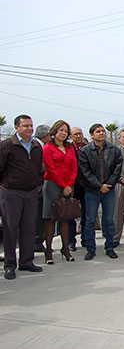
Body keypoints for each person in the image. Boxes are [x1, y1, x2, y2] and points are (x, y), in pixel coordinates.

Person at [0, 115, 44, 280]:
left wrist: (37, 184)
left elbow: (39, 168)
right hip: (12, 193)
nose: (29, 129)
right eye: (25, 126)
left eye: (31, 125)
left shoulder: (35, 146)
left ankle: (27, 261)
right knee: (11, 229)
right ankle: (10, 265)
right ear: (16, 127)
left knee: (28, 228)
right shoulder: (7, 146)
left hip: (31, 192)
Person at [79, 123, 123, 261]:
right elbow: (85, 172)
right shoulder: (85, 151)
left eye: (103, 131)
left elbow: (117, 168)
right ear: (92, 135)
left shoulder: (114, 150)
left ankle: (109, 247)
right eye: (98, 131)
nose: (101, 133)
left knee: (109, 220)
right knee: (90, 220)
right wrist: (99, 186)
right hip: (92, 191)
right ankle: (90, 248)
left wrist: (108, 184)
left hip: (109, 190)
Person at [41, 120, 78, 264]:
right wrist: (63, 185)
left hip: (68, 186)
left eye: (65, 131)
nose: (63, 133)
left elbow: (74, 167)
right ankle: (49, 251)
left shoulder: (70, 148)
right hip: (52, 185)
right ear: (54, 132)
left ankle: (65, 249)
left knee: (65, 217)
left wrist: (69, 185)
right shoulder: (47, 148)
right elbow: (51, 169)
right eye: (60, 130)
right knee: (50, 219)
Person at [68, 126, 87, 250]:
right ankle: (70, 241)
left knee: (87, 214)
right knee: (70, 215)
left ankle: (85, 239)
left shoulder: (88, 148)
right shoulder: (68, 149)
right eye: (75, 134)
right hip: (72, 186)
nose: (78, 136)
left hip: (86, 185)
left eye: (80, 134)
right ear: (71, 137)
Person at [33, 124, 50, 253]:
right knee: (38, 216)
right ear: (46, 136)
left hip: (39, 186)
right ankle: (36, 242)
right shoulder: (38, 147)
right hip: (37, 186)